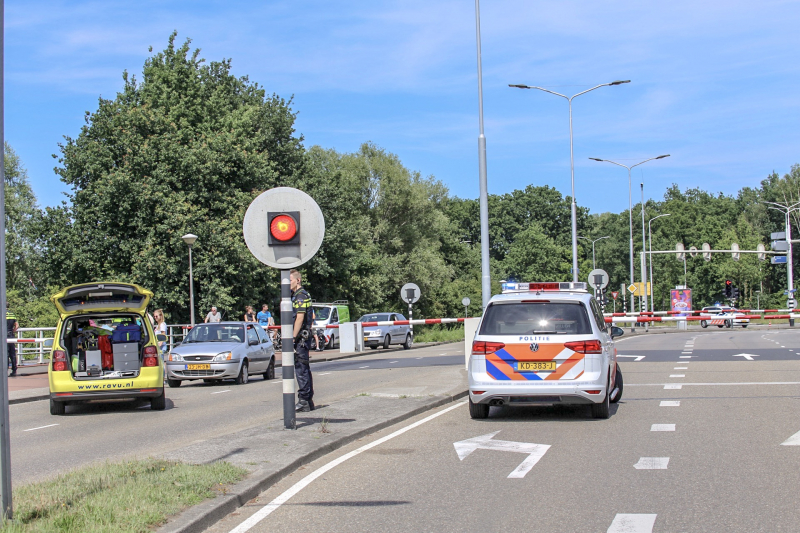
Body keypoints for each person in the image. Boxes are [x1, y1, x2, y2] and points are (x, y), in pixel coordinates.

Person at [290, 269, 314, 412]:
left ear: (298, 280)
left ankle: (304, 399)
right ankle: (308, 399)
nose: (287, 283)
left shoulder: (300, 296)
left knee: (301, 368)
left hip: (301, 338)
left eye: (290, 280)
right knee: (304, 367)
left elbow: (299, 317)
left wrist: (293, 337)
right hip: (304, 336)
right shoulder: (301, 295)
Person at [6, 303, 18, 377]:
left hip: (3, 335)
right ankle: (14, 370)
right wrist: (13, 331)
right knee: (12, 354)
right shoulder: (12, 314)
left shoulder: (2, 314)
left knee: (5, 354)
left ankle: (5, 370)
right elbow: (17, 325)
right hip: (11, 335)